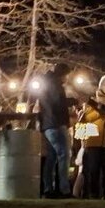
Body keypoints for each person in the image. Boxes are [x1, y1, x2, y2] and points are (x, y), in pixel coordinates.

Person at [37, 64, 73, 199]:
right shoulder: (55, 85)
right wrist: (73, 100)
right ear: (62, 74)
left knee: (51, 158)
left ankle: (48, 189)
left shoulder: (46, 83)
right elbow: (58, 103)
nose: (67, 79)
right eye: (67, 76)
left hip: (47, 124)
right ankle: (64, 189)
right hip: (56, 123)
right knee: (64, 154)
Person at [77, 87, 105, 199]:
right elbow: (82, 126)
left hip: (101, 144)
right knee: (94, 171)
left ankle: (101, 193)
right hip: (94, 144)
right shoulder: (91, 111)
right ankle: (94, 193)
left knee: (102, 171)